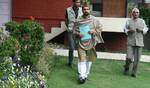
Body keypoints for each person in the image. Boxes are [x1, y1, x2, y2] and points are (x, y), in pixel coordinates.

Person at [73, 2, 104, 84]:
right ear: (82, 10)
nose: (86, 10)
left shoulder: (94, 19)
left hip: (91, 42)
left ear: (90, 10)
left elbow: (100, 28)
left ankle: (86, 74)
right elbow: (74, 30)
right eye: (84, 9)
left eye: (87, 9)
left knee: (89, 59)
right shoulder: (78, 20)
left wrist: (94, 30)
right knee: (81, 59)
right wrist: (78, 34)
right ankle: (81, 76)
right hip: (81, 43)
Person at [123, 8, 148, 78]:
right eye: (135, 12)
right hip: (130, 42)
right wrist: (129, 31)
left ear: (139, 13)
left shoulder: (142, 21)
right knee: (129, 58)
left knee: (137, 59)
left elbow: (146, 29)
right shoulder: (128, 21)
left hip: (139, 42)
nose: (136, 13)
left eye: (137, 12)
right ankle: (126, 67)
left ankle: (134, 73)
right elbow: (124, 29)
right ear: (132, 13)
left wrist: (142, 30)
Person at [65, 0, 83, 68]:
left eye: (79, 2)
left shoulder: (81, 10)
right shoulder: (68, 10)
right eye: (77, 2)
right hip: (71, 32)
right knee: (72, 48)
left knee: (80, 48)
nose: (78, 3)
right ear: (74, 2)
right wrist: (70, 28)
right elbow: (66, 21)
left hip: (79, 32)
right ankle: (70, 62)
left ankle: (81, 63)